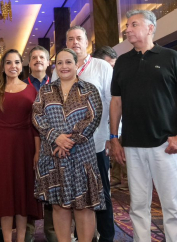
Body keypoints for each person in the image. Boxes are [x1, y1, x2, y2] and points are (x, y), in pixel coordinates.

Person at [109, 10, 177, 241]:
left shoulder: (171, 57)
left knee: (172, 204)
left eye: (133, 24)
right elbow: (116, 102)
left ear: (150, 28)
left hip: (165, 144)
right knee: (137, 205)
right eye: (127, 25)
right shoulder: (123, 62)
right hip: (133, 145)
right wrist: (114, 136)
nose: (127, 29)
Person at [33, 48, 104, 242]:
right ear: (55, 66)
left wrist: (68, 141)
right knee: (58, 205)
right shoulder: (46, 90)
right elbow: (37, 115)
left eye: (68, 62)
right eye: (60, 63)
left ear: (76, 65)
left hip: (81, 155)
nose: (64, 66)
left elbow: (93, 117)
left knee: (84, 206)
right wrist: (56, 137)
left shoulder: (89, 89)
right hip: (53, 154)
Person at [52, 27, 114, 242]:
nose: (75, 42)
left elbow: (113, 102)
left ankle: (106, 237)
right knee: (74, 194)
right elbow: (53, 106)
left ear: (87, 42)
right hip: (66, 146)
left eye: (79, 38)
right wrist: (60, 139)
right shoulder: (58, 68)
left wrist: (114, 136)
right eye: (70, 39)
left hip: (96, 142)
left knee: (100, 193)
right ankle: (82, 237)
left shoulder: (102, 67)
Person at [0, 49, 42, 242]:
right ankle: (7, 239)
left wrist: (37, 152)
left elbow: (36, 125)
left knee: (23, 193)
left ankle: (22, 238)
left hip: (25, 146)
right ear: (3, 66)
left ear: (21, 65)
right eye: (9, 63)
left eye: (16, 62)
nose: (13, 66)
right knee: (5, 194)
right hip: (1, 146)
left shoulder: (31, 89)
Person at [23, 45, 57, 242]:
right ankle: (27, 232)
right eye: (34, 57)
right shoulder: (21, 85)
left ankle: (52, 233)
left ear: (48, 62)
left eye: (41, 57)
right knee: (28, 188)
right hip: (27, 144)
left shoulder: (57, 85)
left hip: (52, 143)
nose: (37, 60)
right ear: (29, 62)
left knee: (52, 187)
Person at [92, 47, 125, 188]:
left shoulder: (120, 78)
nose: (112, 70)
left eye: (114, 66)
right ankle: (116, 177)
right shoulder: (91, 81)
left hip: (121, 126)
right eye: (109, 66)